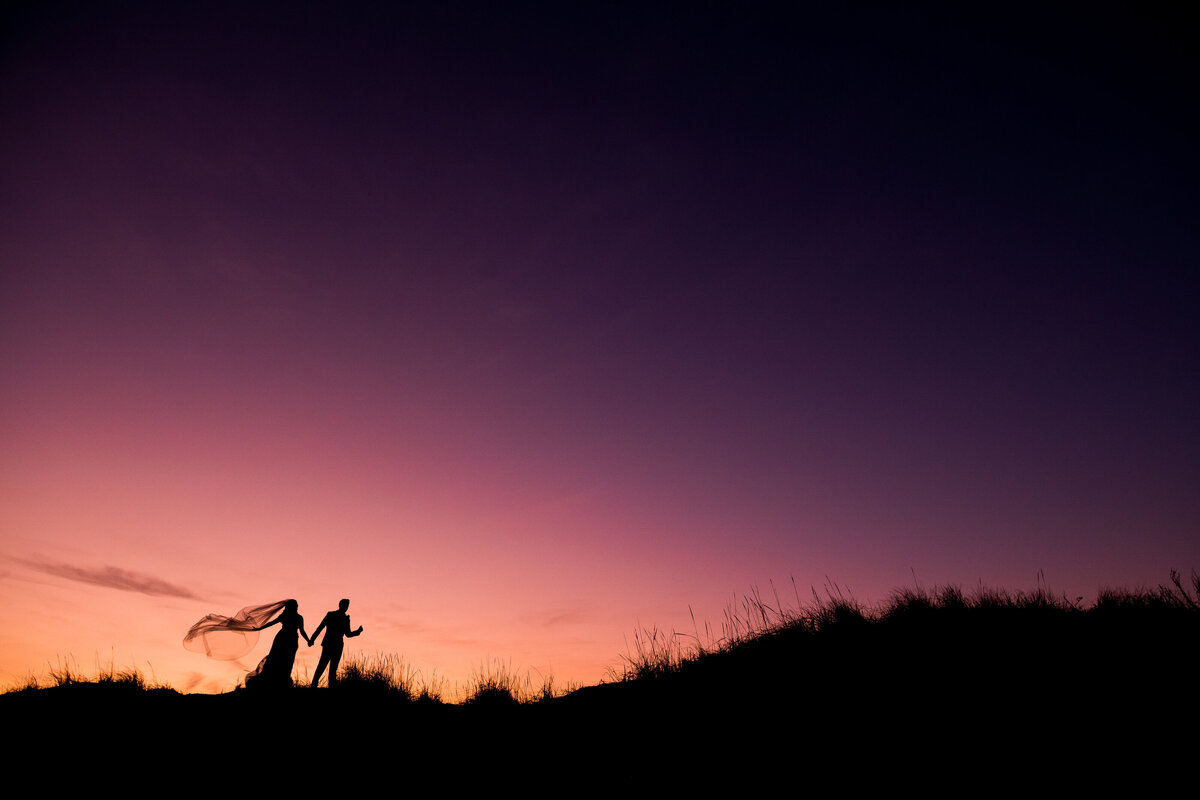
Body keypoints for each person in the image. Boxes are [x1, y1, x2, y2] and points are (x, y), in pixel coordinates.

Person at [245, 599, 311, 689]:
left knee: (288, 660)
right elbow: (272, 623)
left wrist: (308, 640)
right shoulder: (290, 616)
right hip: (284, 639)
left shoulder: (297, 617)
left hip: (290, 640)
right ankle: (277, 682)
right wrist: (260, 628)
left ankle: (282, 681)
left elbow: (302, 631)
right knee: (277, 658)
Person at [309, 599, 363, 687]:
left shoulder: (341, 617)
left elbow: (347, 634)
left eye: (347, 606)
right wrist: (312, 639)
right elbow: (321, 627)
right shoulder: (334, 615)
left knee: (329, 666)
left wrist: (358, 631)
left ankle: (323, 685)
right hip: (332, 644)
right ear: (340, 605)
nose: (346, 607)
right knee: (325, 665)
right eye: (345, 605)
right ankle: (317, 684)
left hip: (334, 644)